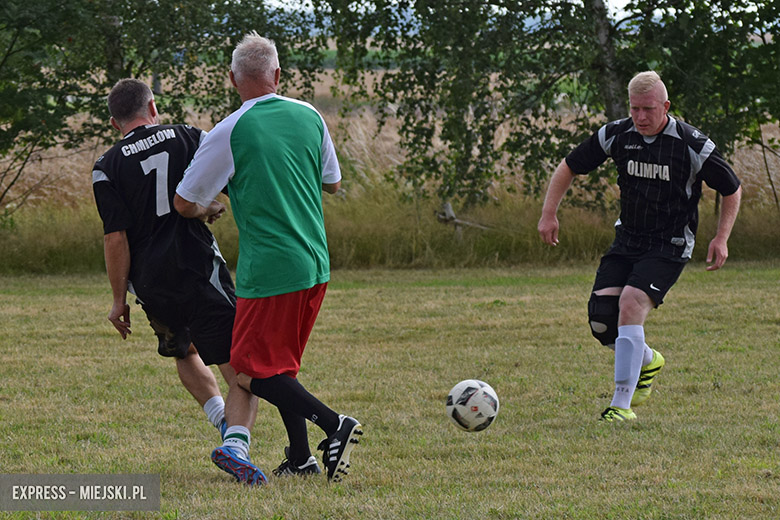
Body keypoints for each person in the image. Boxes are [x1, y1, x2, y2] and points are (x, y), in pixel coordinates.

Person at [174, 32, 362, 483]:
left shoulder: (229, 130)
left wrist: (217, 199)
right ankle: (300, 458)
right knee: (280, 366)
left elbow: (184, 202)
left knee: (247, 373)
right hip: (315, 264)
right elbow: (332, 183)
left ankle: (335, 425)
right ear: (277, 75)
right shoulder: (309, 115)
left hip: (270, 271)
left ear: (233, 79)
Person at [538, 71, 742, 422]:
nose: (641, 117)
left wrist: (721, 237)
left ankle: (620, 405)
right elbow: (569, 166)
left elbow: (732, 189)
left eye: (648, 109)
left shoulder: (692, 144)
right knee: (603, 322)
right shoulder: (617, 134)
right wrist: (548, 213)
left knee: (631, 303)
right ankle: (648, 360)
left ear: (665, 106)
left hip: (670, 243)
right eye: (635, 109)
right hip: (628, 238)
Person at [92, 79, 263, 484]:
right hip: (198, 267)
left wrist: (119, 301)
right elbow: (223, 177)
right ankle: (236, 443)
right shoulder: (188, 135)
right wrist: (208, 207)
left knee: (182, 350)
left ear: (115, 122)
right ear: (153, 107)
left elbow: (115, 238)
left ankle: (222, 421)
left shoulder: (106, 166)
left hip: (151, 282)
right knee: (236, 358)